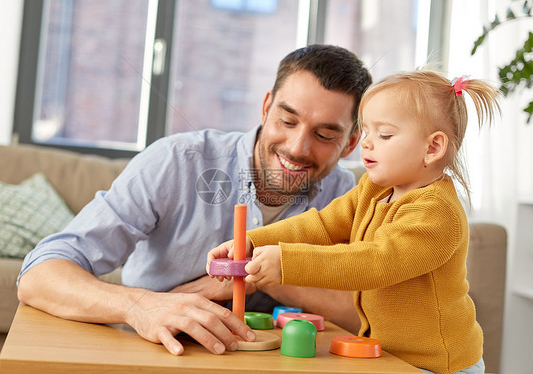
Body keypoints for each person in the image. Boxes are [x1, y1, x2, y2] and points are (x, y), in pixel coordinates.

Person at [17, 44, 372, 356]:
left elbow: (374, 315)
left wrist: (270, 274)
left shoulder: (350, 197)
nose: (297, 148)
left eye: (324, 134)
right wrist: (141, 307)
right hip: (159, 356)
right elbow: (39, 275)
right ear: (266, 108)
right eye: (287, 120)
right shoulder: (178, 162)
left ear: (351, 144)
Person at [208, 70, 500, 373]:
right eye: (367, 132)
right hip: (386, 354)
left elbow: (375, 263)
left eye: (384, 135)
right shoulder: (374, 189)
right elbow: (321, 224)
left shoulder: (437, 213)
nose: (367, 143)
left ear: (432, 148)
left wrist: (288, 263)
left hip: (436, 365)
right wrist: (256, 240)